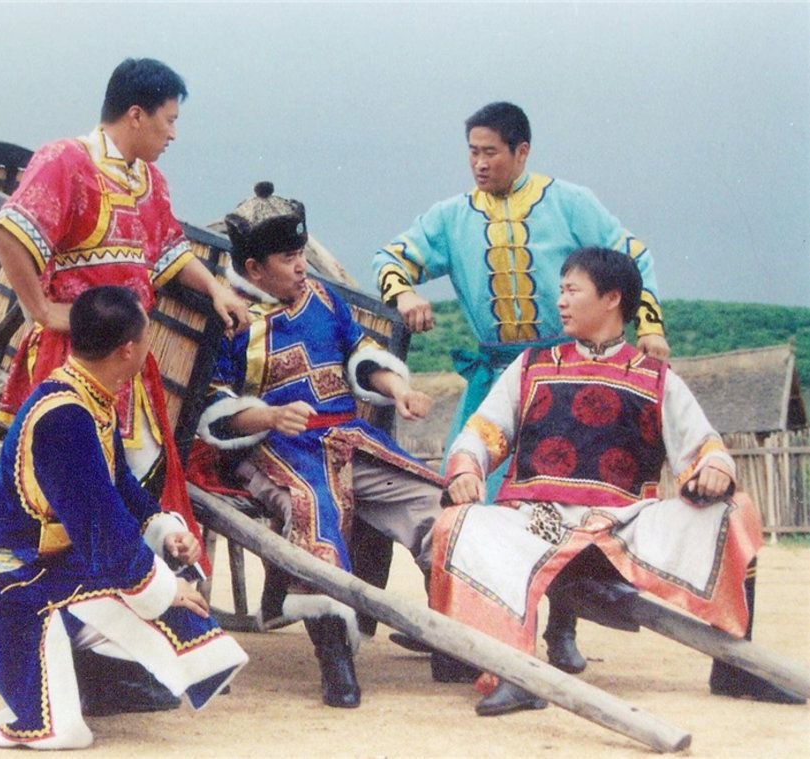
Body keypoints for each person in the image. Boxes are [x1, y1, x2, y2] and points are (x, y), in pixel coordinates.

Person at [428, 247, 804, 716]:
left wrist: (712, 468)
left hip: (626, 528)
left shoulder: (656, 378)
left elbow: (703, 444)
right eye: (560, 290)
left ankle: (735, 665)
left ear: (611, 299)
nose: (560, 301)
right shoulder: (531, 366)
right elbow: (482, 432)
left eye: (572, 290)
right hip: (535, 521)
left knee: (734, 512)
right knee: (457, 524)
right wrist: (467, 469)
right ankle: (514, 670)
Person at [372, 101, 672, 667]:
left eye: (490, 152)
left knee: (561, 499)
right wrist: (405, 292)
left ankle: (560, 630)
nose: (479, 163)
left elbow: (633, 257)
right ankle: (456, 622)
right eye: (472, 152)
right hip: (494, 380)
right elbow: (391, 258)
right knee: (462, 492)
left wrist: (650, 326)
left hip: (567, 377)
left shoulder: (570, 203)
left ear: (522, 151)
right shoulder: (451, 217)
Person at [195, 182, 450, 708]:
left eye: (301, 254)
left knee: (436, 499)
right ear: (253, 267)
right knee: (313, 508)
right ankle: (335, 658)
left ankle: (451, 640)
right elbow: (214, 403)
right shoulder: (230, 317)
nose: (301, 267)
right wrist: (268, 415)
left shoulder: (323, 299)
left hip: (350, 436)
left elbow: (360, 352)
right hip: (272, 449)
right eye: (288, 259)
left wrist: (398, 390)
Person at [0, 57, 248, 566]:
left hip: (132, 365)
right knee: (79, 483)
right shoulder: (66, 161)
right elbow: (7, 232)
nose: (173, 134)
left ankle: (145, 583)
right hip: (75, 358)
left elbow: (170, 252)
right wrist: (42, 310)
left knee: (144, 477)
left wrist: (215, 289)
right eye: (169, 120)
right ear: (136, 115)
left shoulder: (150, 182)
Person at [0, 286, 248, 750]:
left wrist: (164, 530)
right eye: (146, 338)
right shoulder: (63, 417)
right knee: (63, 729)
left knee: (165, 577)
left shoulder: (89, 397)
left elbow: (120, 489)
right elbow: (101, 525)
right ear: (128, 350)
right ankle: (78, 677)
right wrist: (164, 589)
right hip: (19, 580)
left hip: (58, 563)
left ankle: (99, 674)